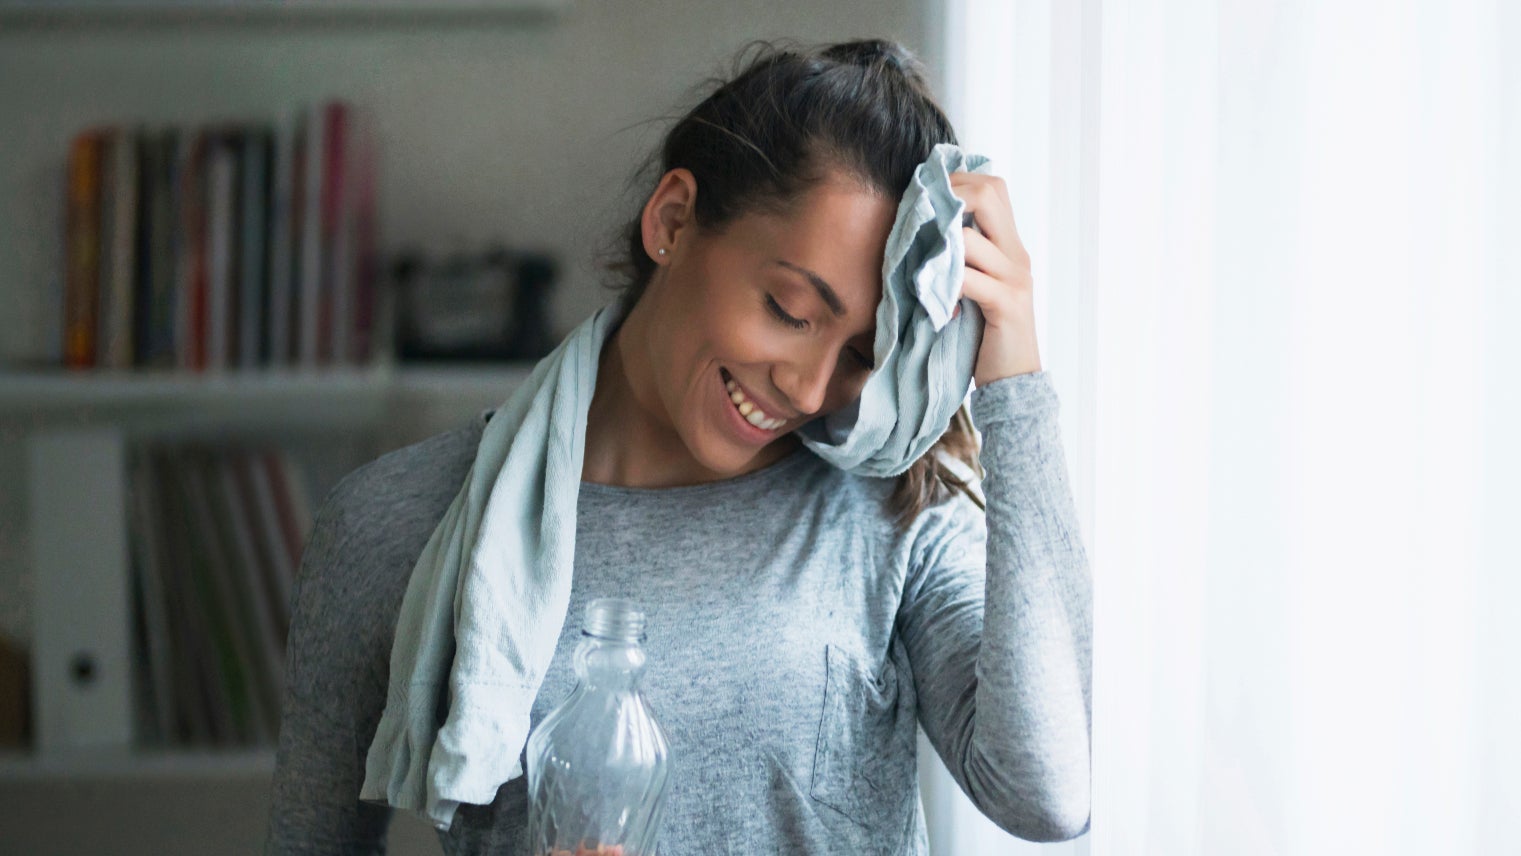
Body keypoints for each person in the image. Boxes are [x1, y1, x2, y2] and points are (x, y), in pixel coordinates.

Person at [267, 36, 1092, 855]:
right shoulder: (400, 523)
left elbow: (1045, 794)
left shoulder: (892, 510)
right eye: (789, 310)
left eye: (858, 354)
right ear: (671, 221)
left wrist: (1011, 377)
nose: (807, 390)